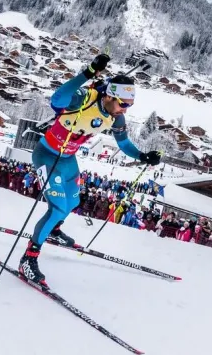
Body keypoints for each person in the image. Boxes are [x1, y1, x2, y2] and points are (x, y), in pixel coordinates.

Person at [18, 54, 160, 287]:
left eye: (129, 105)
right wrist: (88, 73)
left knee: (72, 202)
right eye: (123, 104)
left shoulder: (116, 118)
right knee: (57, 208)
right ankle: (28, 259)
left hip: (68, 159)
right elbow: (58, 98)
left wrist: (143, 156)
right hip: (47, 155)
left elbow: (123, 144)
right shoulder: (85, 98)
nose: (124, 110)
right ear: (110, 95)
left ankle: (53, 231)